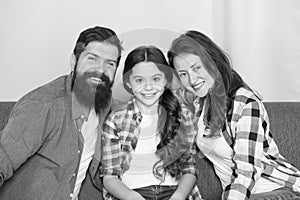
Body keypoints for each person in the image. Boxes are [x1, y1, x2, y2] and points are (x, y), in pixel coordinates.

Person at [167, 30, 300, 200]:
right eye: (183, 74)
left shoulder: (245, 102)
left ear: (213, 62)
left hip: (277, 191)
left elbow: (246, 171)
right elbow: (185, 160)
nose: (192, 79)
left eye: (197, 67)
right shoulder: (198, 105)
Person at [0, 26, 123, 199]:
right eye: (92, 59)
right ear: (74, 60)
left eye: (110, 63)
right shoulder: (43, 106)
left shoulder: (109, 110)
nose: (101, 69)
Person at [100, 46, 203, 200]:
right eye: (139, 80)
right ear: (128, 83)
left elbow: (189, 169)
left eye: (156, 79)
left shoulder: (183, 116)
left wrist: (178, 197)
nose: (148, 87)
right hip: (133, 194)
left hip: (174, 193)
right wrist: (132, 197)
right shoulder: (116, 120)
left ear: (166, 79)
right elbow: (110, 177)